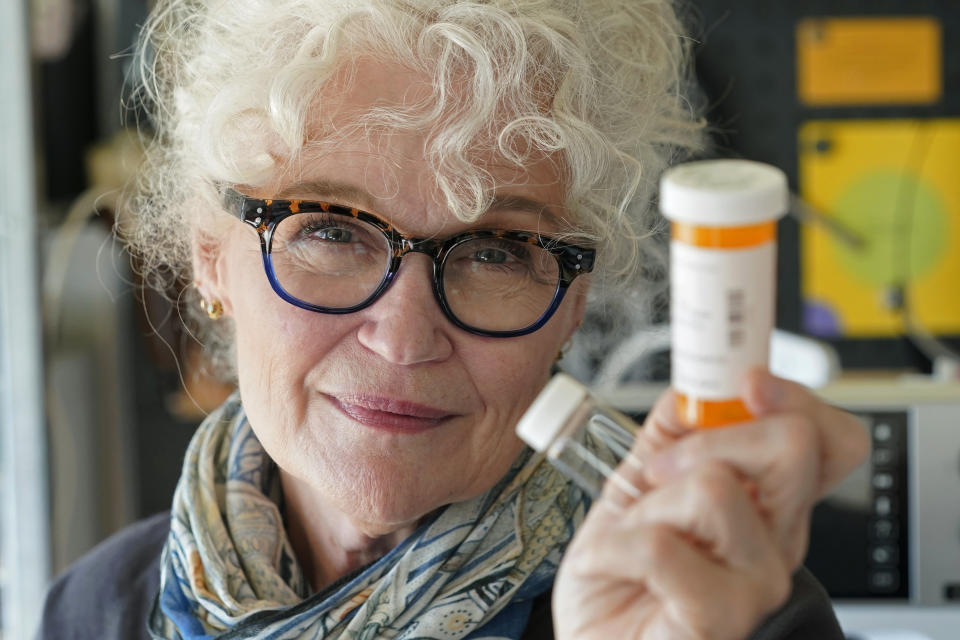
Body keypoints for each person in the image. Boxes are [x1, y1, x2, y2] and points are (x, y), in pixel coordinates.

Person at [39, 0, 868, 638]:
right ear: (210, 256)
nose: (403, 339)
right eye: (331, 230)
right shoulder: (101, 609)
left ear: (574, 303)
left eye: (496, 251)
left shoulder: (713, 604)